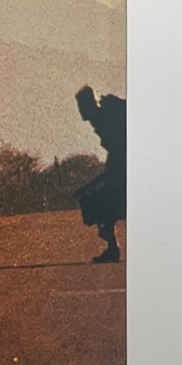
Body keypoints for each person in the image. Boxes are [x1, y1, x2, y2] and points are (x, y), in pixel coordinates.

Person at [75, 85, 126, 263]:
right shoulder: (101, 116)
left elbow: (120, 146)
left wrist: (111, 174)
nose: (81, 112)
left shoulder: (105, 116)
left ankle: (112, 248)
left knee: (103, 200)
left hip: (126, 160)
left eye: (81, 106)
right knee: (104, 200)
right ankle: (111, 247)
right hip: (121, 160)